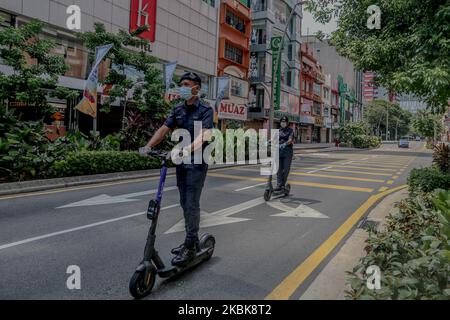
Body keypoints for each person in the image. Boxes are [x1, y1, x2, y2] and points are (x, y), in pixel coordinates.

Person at [140, 72, 213, 266]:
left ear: (196, 88)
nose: (182, 87)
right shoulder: (178, 108)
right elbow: (164, 128)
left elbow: (204, 135)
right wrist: (149, 147)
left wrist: (187, 149)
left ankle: (190, 245)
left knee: (191, 203)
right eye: (181, 84)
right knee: (184, 202)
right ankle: (192, 240)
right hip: (181, 163)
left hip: (197, 163)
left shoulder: (206, 110)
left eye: (186, 84)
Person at [275, 116, 294, 192]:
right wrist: (268, 142)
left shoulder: (290, 131)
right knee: (278, 169)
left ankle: (283, 184)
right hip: (279, 151)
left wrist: (285, 144)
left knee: (285, 169)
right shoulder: (278, 131)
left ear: (287, 123)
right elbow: (273, 139)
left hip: (287, 152)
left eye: (284, 122)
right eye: (282, 121)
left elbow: (290, 140)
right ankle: (279, 185)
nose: (283, 123)